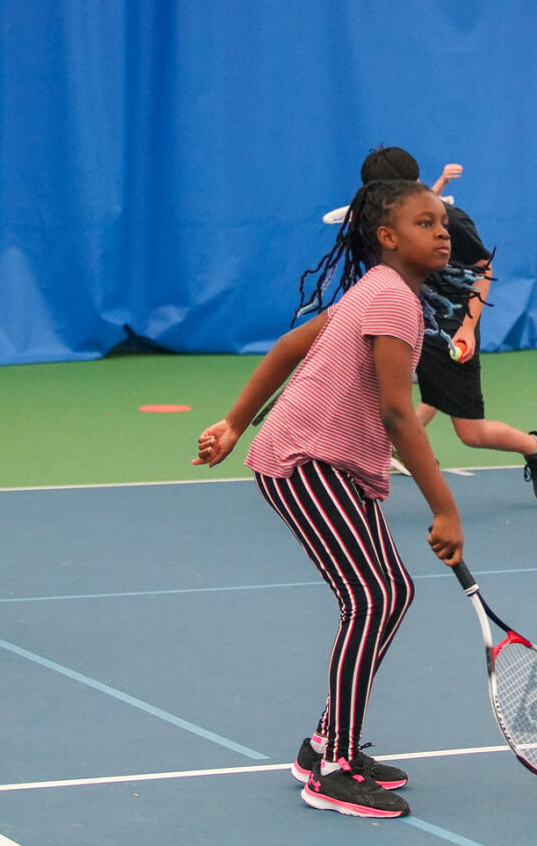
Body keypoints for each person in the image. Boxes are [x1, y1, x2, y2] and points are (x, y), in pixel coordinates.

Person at [196, 179, 466, 820]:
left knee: (388, 593)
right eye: (425, 222)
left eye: (444, 222)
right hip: (305, 462)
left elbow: (293, 346)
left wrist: (235, 424)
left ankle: (324, 744)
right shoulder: (389, 300)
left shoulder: (378, 291)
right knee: (371, 596)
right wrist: (446, 509)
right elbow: (400, 415)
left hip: (323, 460)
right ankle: (335, 768)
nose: (442, 232)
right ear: (387, 237)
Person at [356, 146, 537, 499]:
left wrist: (467, 327)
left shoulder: (449, 220)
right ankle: (372, 463)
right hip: (406, 322)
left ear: (414, 183)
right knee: (375, 395)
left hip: (451, 327)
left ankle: (536, 447)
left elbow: (483, 268)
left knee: (471, 433)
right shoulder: (379, 225)